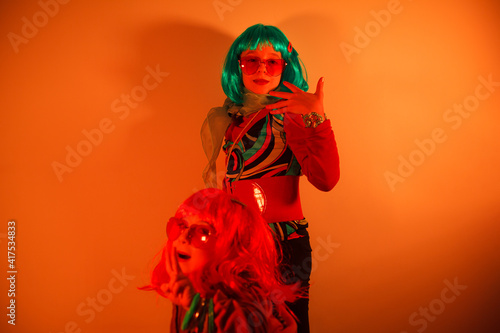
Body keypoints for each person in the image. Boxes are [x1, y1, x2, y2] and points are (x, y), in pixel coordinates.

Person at [201, 23, 340, 332]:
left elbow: (326, 180)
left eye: (272, 61)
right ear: (237, 66)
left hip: (283, 241)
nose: (261, 68)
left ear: (283, 67)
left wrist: (316, 118)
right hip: (234, 242)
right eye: (251, 60)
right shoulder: (229, 117)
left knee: (286, 325)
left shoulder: (292, 115)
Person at [142, 188, 300, 332]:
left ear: (232, 249)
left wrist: (199, 305)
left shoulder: (247, 294)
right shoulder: (191, 289)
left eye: (202, 232)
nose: (183, 238)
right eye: (181, 226)